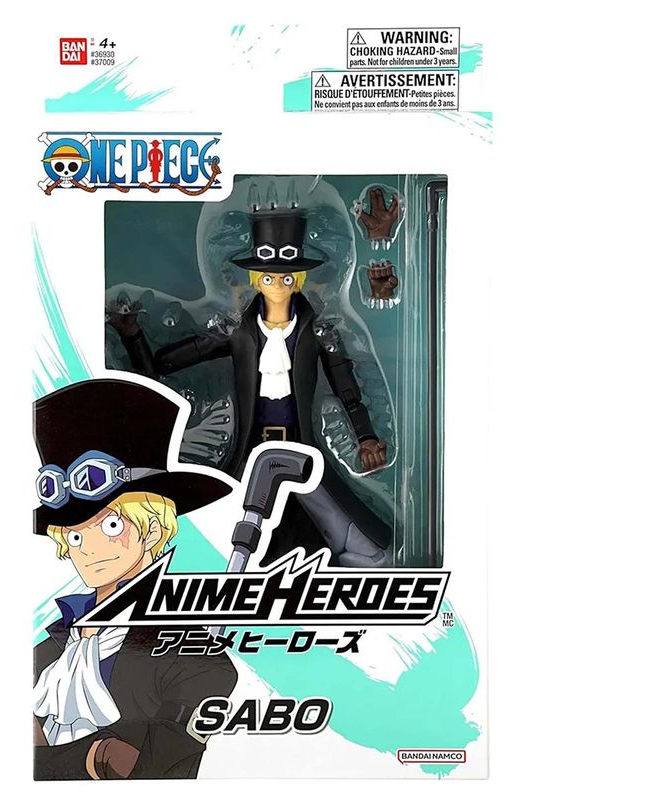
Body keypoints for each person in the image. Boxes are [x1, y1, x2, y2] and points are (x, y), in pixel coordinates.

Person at [108, 209, 395, 567]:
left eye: (287, 277)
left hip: (300, 450)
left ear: (298, 279)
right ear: (257, 279)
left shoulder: (318, 333)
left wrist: (365, 437)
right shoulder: (237, 333)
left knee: (356, 542)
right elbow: (162, 365)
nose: (278, 285)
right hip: (252, 452)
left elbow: (346, 387)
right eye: (269, 277)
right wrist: (132, 334)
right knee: (233, 537)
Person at [32, 378, 237, 779]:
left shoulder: (196, 663)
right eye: (74, 535)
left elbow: (142, 768)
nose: (88, 547)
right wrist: (91, 758)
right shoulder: (48, 652)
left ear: (153, 529)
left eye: (110, 525)